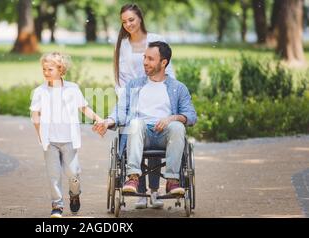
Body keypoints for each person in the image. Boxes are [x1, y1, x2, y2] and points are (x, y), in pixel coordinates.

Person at [93, 41, 197, 199]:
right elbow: (120, 111)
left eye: (150, 59)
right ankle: (133, 177)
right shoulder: (134, 85)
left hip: (165, 135)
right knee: (135, 123)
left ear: (164, 63)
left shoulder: (178, 88)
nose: (145, 62)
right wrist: (107, 122)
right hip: (140, 134)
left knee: (177, 127)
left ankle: (172, 180)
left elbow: (191, 115)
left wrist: (171, 118)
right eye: (144, 57)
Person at [113, 3, 176, 209]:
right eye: (124, 21)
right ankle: (139, 191)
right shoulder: (123, 44)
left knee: (155, 136)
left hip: (157, 93)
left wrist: (170, 96)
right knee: (134, 132)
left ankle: (155, 191)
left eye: (131, 19)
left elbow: (169, 70)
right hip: (132, 96)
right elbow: (120, 77)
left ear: (139, 18)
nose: (128, 24)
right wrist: (126, 101)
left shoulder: (155, 40)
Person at [30, 52, 103, 218]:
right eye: (44, 69)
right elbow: (35, 116)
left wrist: (98, 118)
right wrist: (40, 136)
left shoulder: (72, 89)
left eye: (50, 69)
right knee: (53, 175)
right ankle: (57, 205)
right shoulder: (40, 91)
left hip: (69, 140)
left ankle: (75, 193)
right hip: (50, 141)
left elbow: (83, 108)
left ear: (61, 70)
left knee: (73, 173)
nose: (46, 72)